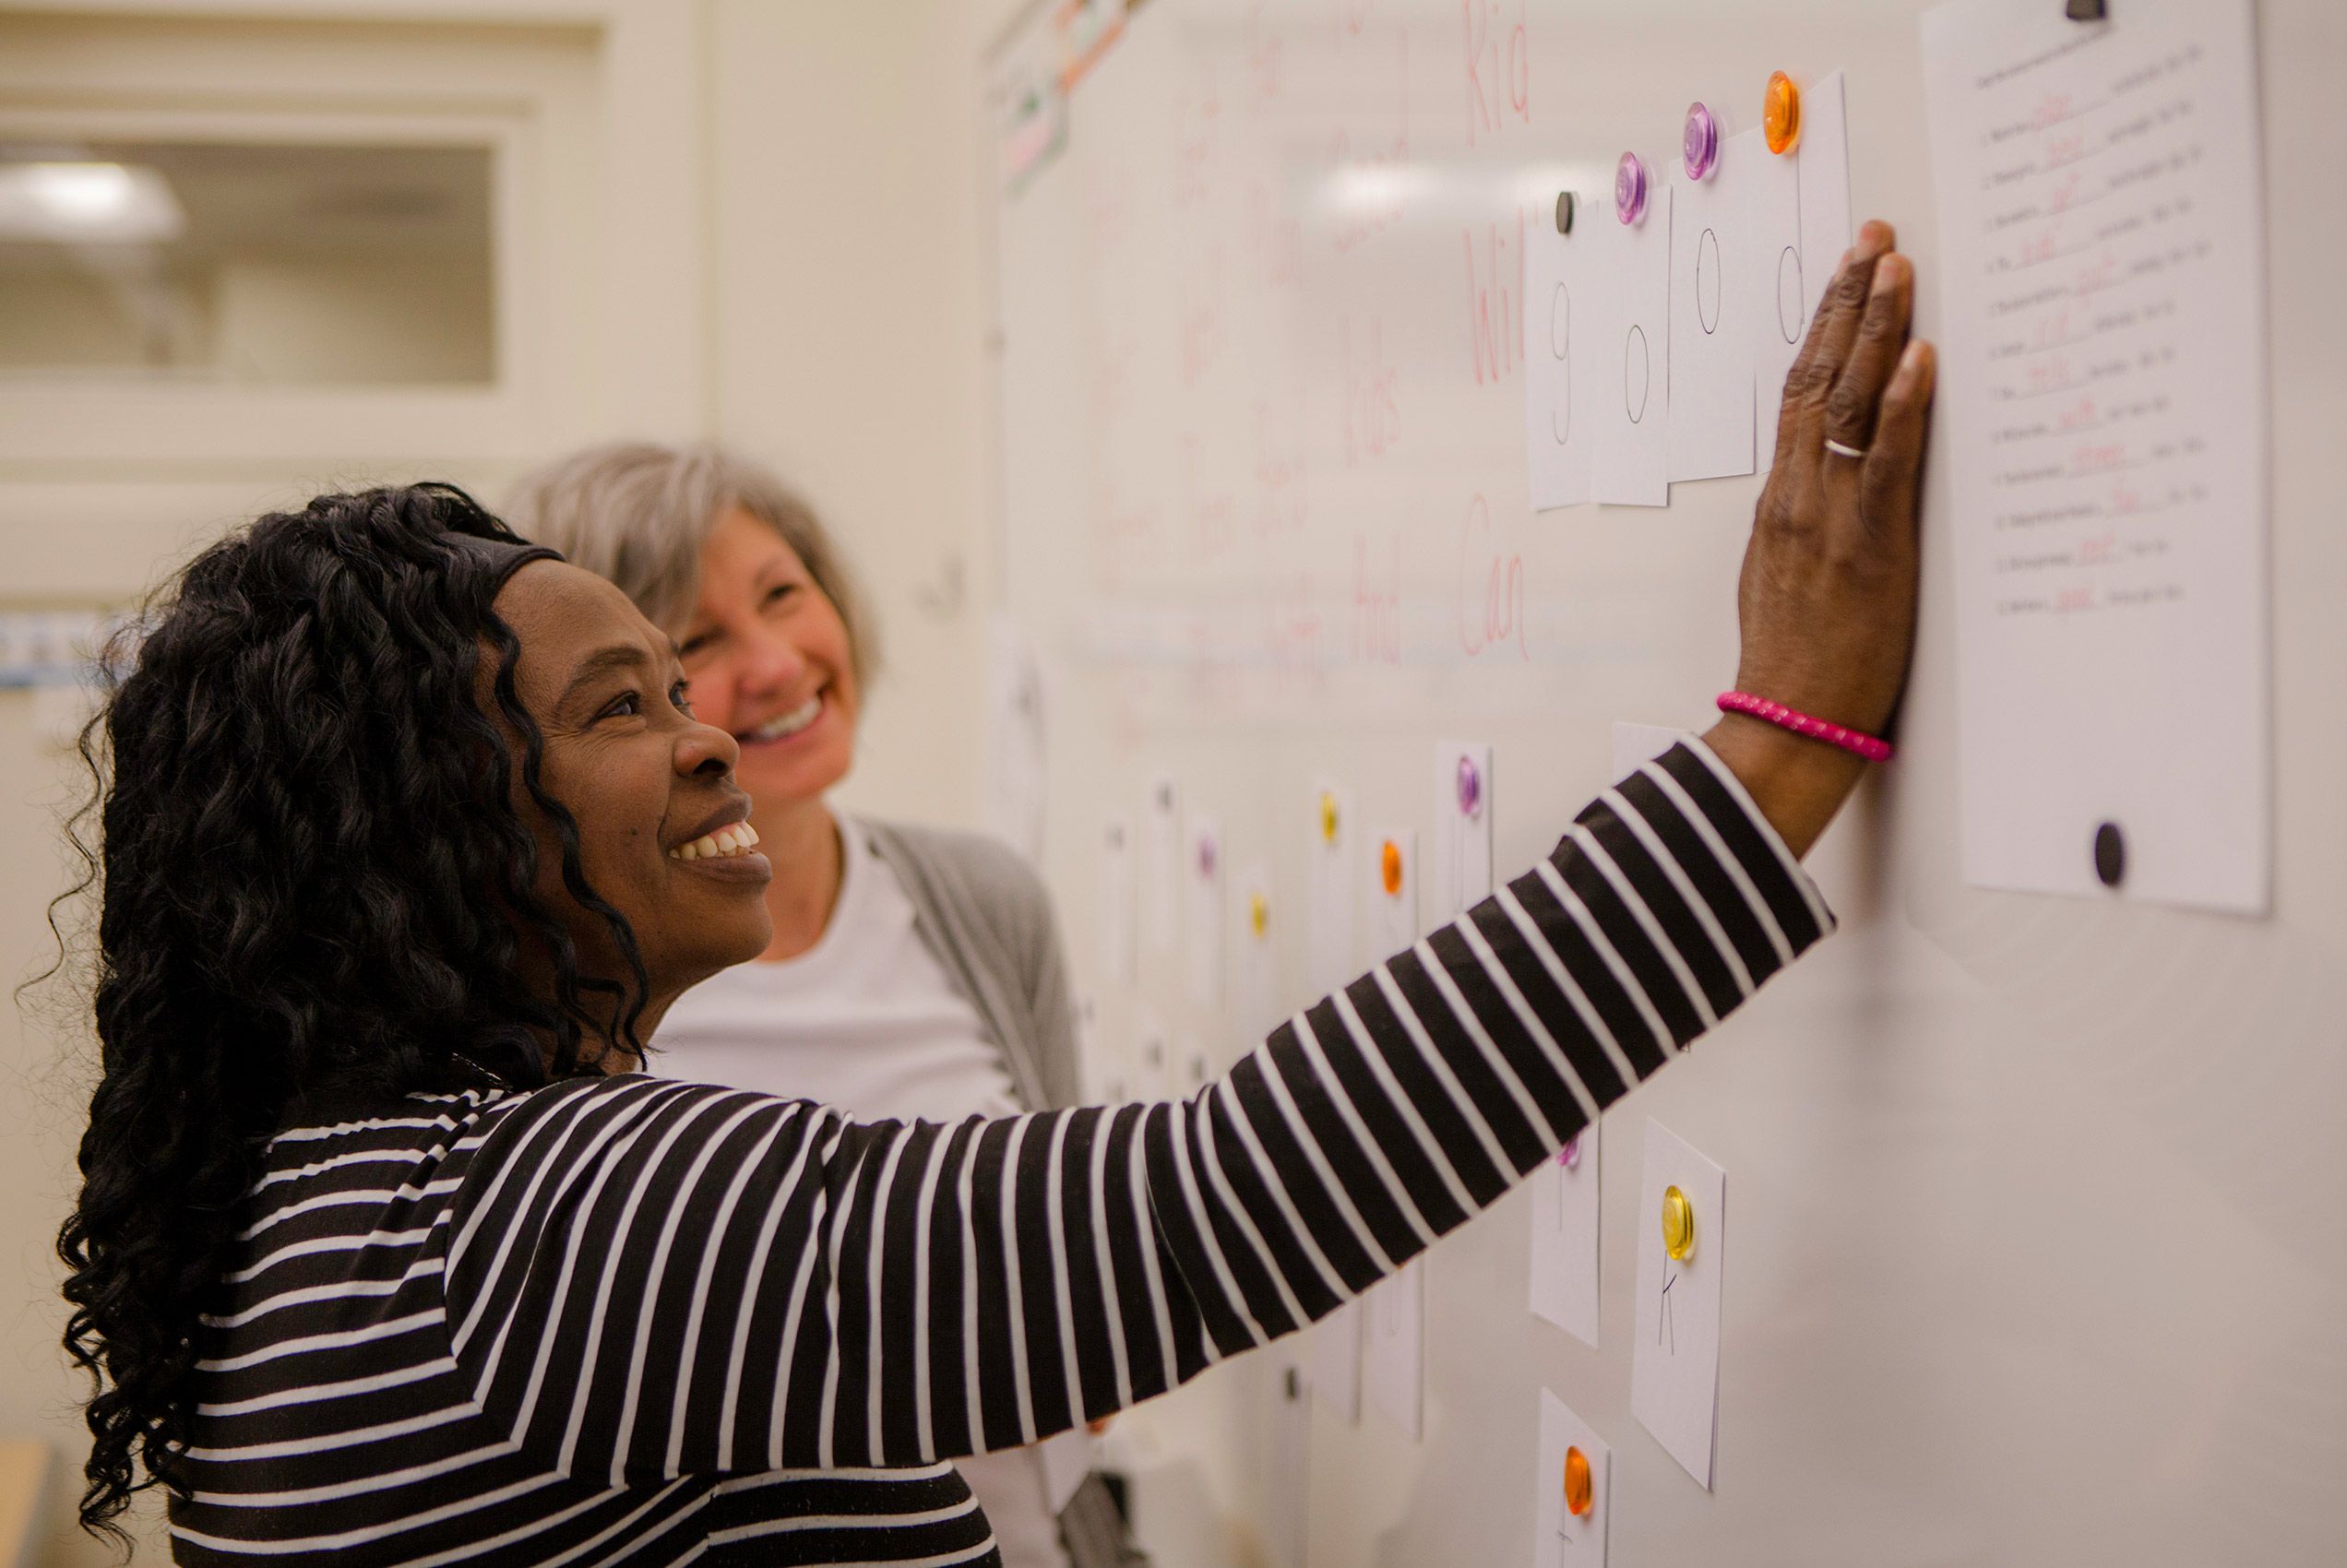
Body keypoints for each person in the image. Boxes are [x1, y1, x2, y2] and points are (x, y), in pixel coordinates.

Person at [55, 225, 1930, 1567]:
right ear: (428, 825)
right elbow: (1214, 1200)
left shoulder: (350, 1194)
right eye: (630, 701)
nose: (716, 730)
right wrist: (1772, 753)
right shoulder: (529, 1225)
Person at [503, 446, 1120, 1568]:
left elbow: (1075, 1280)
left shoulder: (986, 900)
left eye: (784, 593)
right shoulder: (560, 990)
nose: (779, 663)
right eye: (695, 645)